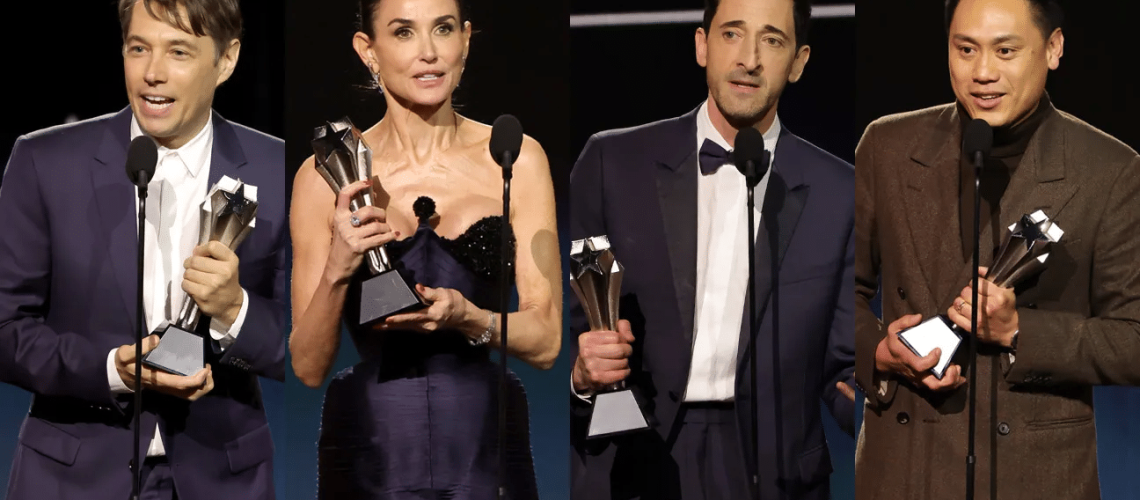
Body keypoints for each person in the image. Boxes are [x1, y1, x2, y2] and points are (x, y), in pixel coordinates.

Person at [0, 1, 288, 499]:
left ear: (227, 59)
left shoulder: (280, 169)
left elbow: (306, 344)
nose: (152, 73)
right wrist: (111, 369)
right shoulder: (44, 162)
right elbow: (5, 328)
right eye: (139, 49)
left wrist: (235, 313)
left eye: (178, 51)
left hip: (222, 478)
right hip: (70, 478)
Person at [568, 0, 855, 498]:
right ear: (702, 46)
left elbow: (843, 366)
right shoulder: (610, 163)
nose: (749, 58)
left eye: (772, 40)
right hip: (636, 457)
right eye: (731, 35)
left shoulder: (841, 191)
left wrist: (892, 410)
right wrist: (580, 375)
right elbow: (574, 325)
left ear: (799, 61)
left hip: (776, 470)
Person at [854, 0, 1140, 498]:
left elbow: (1134, 338)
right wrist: (877, 351)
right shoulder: (887, 146)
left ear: (1053, 49)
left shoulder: (1110, 170)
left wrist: (1018, 330)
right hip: (905, 468)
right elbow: (833, 296)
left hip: (1037, 475)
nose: (982, 72)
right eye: (965, 49)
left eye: (1005, 50)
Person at [287, 0, 562, 498]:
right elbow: (307, 366)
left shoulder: (517, 159)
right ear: (368, 51)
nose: (430, 53)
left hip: (485, 449)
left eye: (443, 28)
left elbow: (545, 341)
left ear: (467, 40)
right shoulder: (323, 176)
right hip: (370, 453)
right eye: (404, 32)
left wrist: (469, 318)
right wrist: (337, 268)